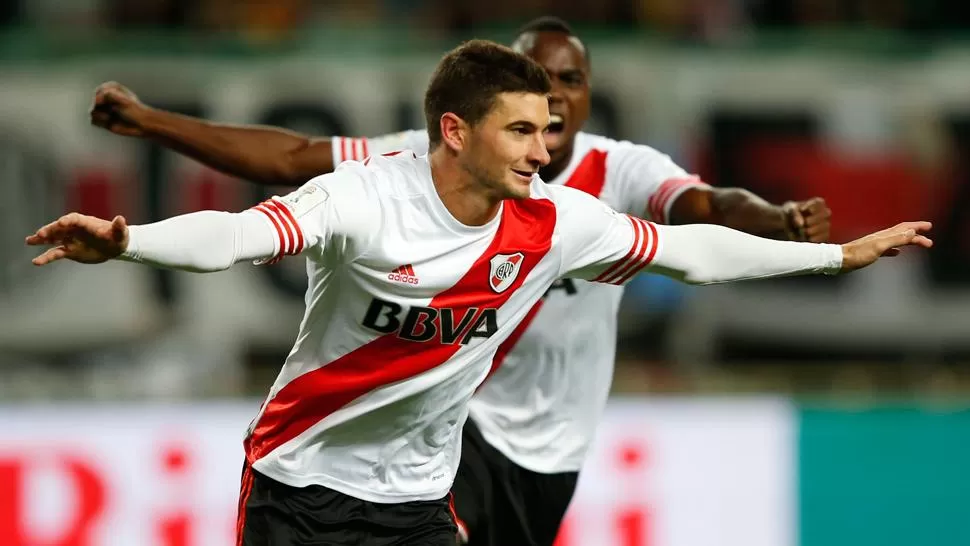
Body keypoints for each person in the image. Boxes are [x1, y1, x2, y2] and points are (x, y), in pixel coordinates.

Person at [80, 34, 897, 546]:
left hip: (419, 504)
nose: (545, 149)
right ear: (455, 132)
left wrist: (832, 260)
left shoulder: (560, 218)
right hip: (301, 487)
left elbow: (694, 250)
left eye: (549, 126)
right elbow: (234, 236)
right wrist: (131, 242)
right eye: (522, 129)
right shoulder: (366, 194)